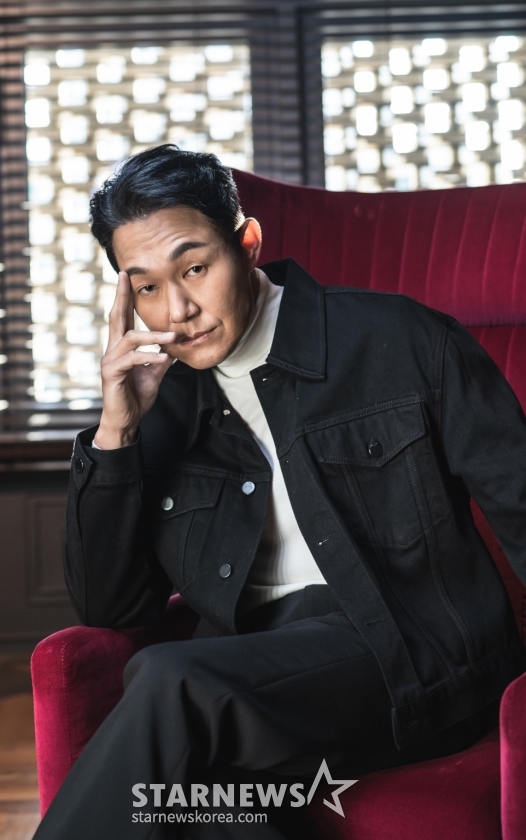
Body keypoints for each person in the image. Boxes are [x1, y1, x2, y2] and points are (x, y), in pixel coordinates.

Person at [34, 145, 526, 839]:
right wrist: (117, 431)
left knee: (171, 682)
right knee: (205, 803)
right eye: (146, 288)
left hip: (410, 655)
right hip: (254, 674)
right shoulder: (159, 402)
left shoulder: (399, 340)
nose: (178, 309)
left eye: (195, 268)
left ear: (248, 244)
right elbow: (112, 605)